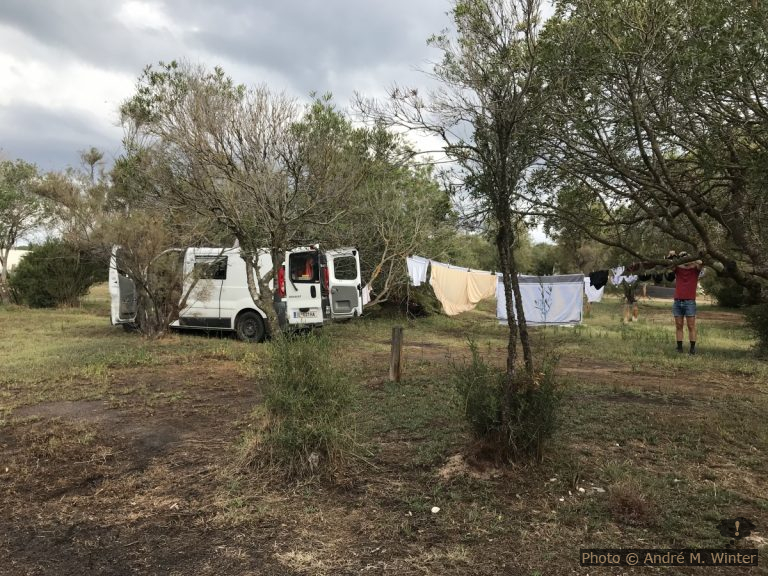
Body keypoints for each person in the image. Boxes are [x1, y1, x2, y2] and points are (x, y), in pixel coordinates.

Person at [668, 250, 703, 355]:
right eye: (683, 258)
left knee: (691, 326)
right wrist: (672, 255)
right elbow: (670, 265)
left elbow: (701, 262)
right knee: (679, 325)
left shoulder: (695, 269)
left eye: (686, 257)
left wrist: (692, 258)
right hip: (678, 301)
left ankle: (692, 349)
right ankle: (679, 348)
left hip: (690, 301)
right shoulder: (678, 269)